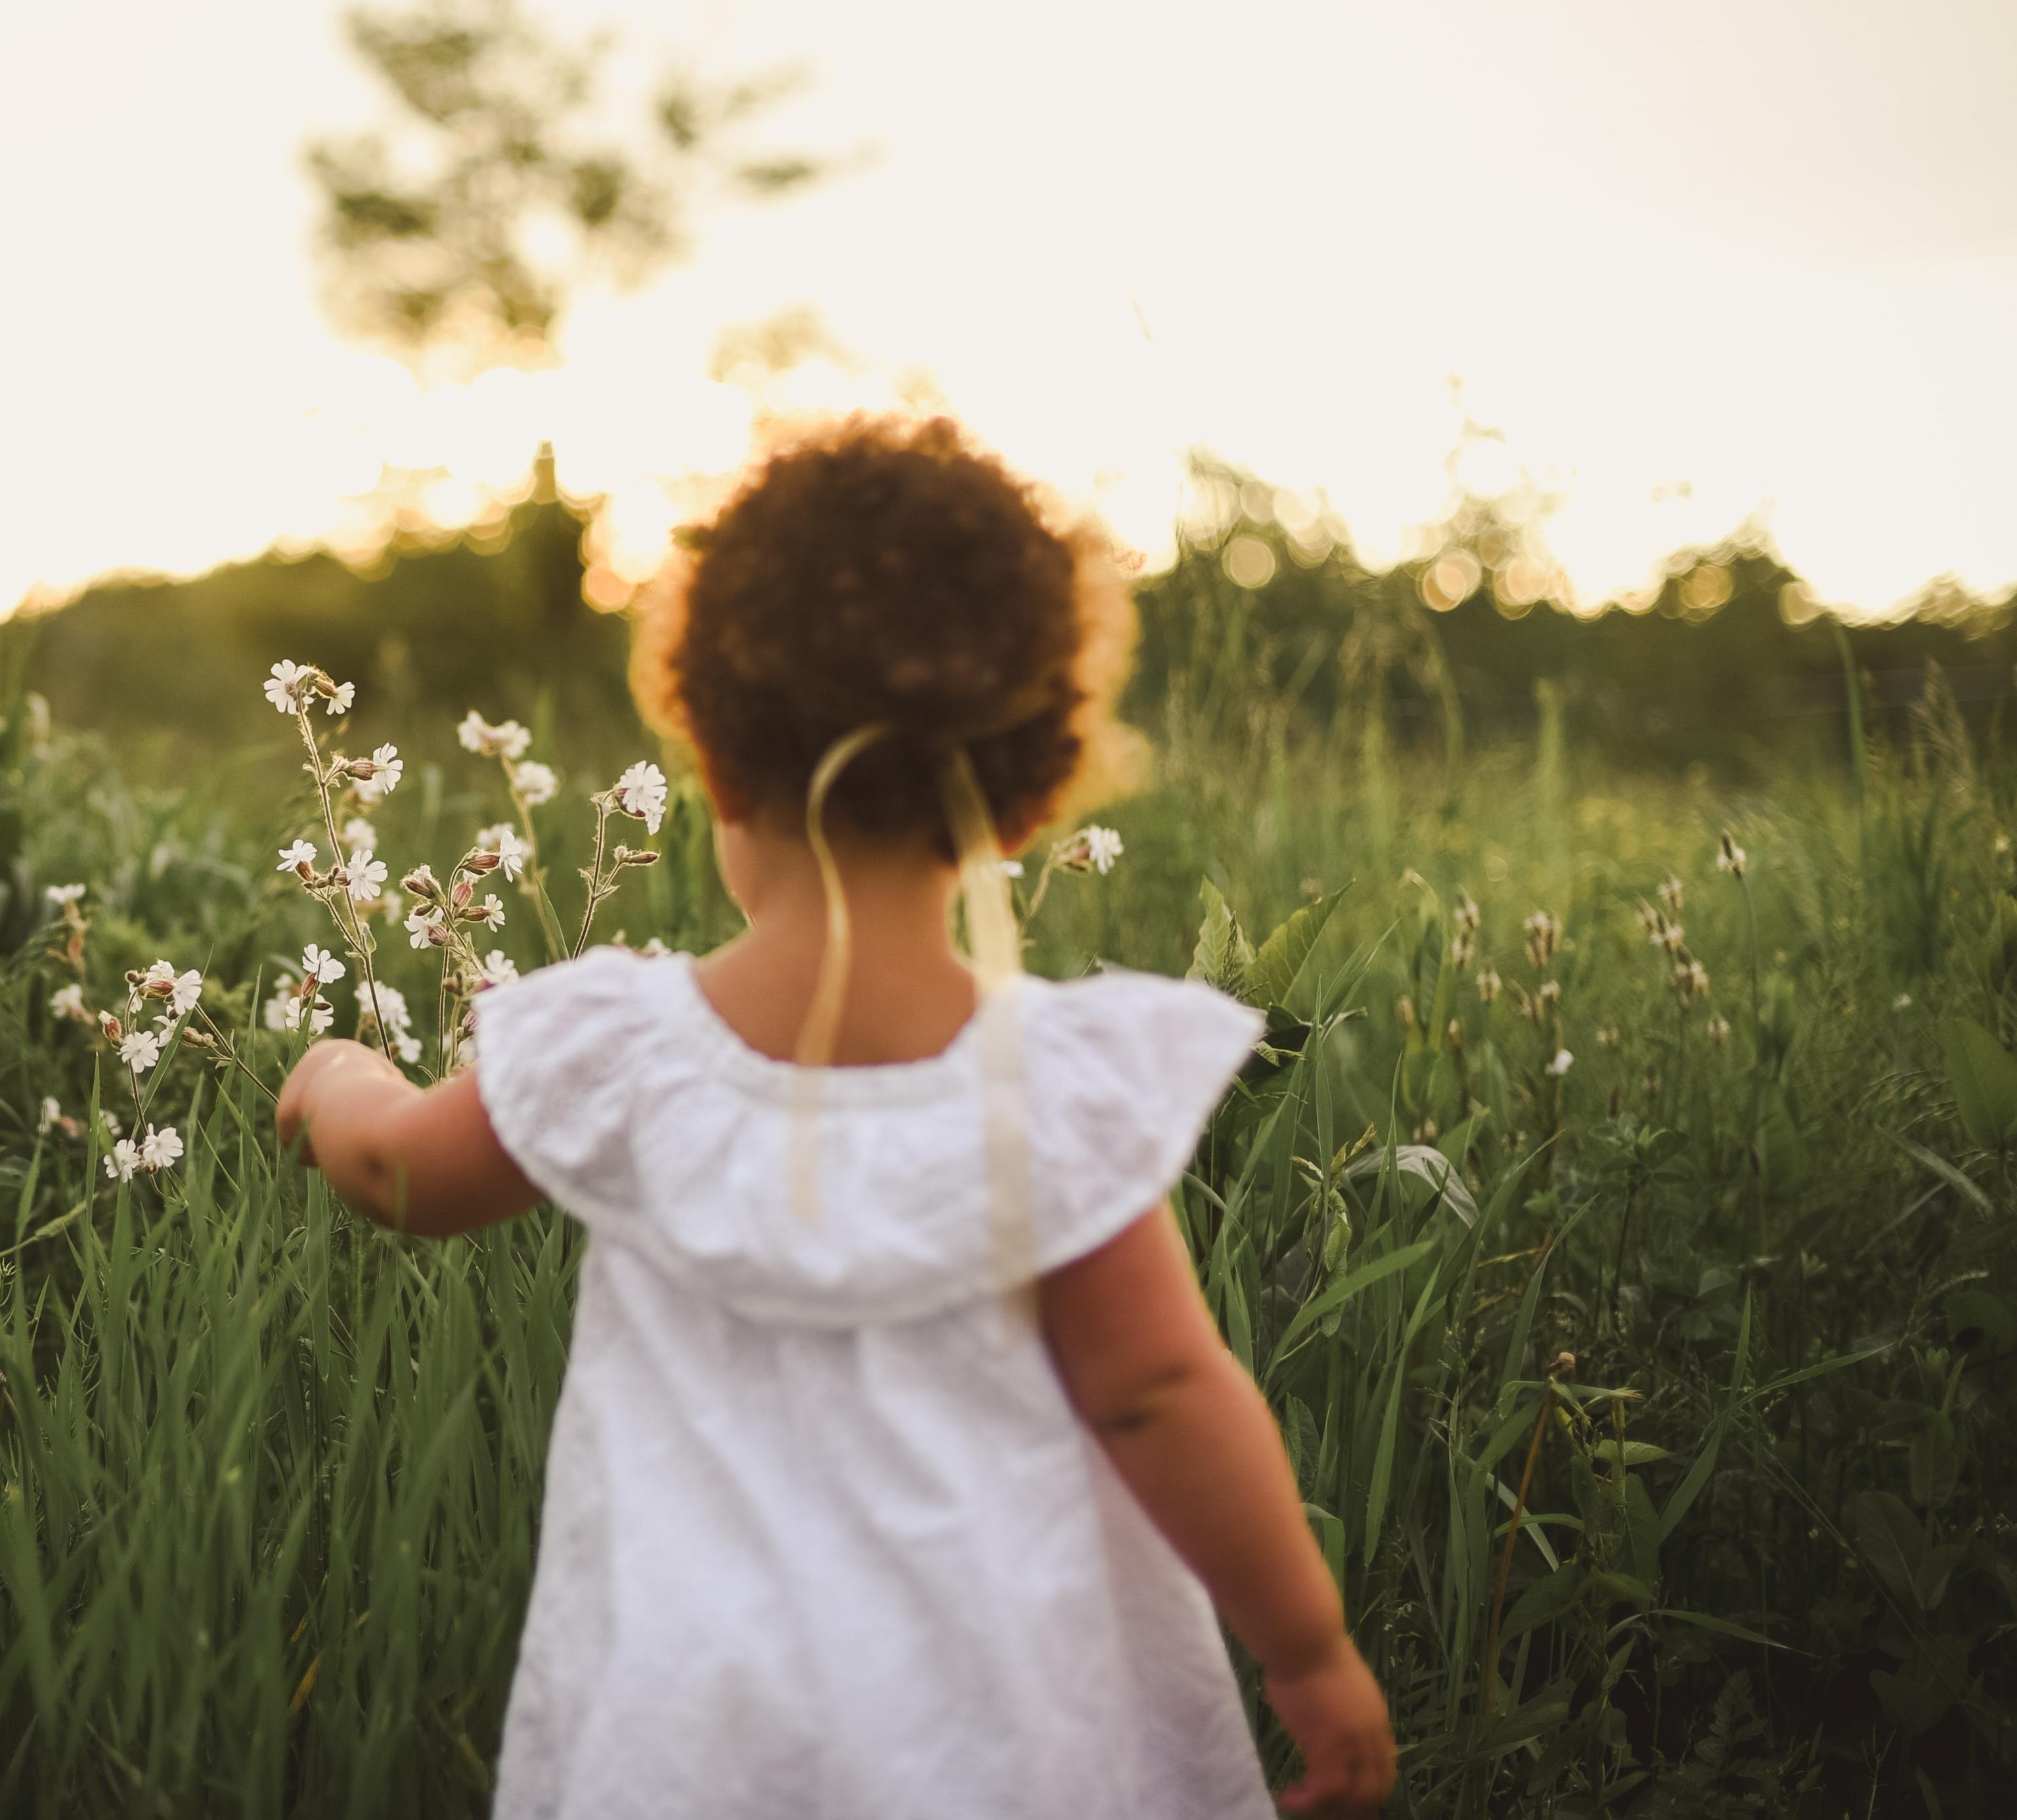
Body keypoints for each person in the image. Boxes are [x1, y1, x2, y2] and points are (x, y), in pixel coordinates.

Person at [275, 415, 1396, 1819]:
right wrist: (1309, 1653)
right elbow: (1162, 1388)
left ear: (716, 758)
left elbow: (395, 1170)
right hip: (1002, 1734)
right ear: (1023, 797)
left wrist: (333, 1078)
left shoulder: (624, 1051)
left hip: (695, 1732)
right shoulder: (1048, 1092)